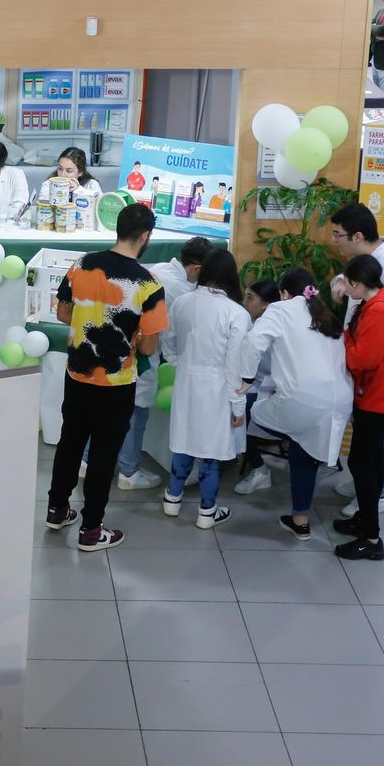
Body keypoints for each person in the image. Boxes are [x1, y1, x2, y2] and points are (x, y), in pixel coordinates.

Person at [44, 202, 168, 553]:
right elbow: (148, 348)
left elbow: (64, 312)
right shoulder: (148, 283)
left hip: (77, 374)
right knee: (102, 453)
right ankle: (92, 529)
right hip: (116, 384)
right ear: (145, 237)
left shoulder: (81, 264)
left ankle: (56, 509)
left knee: (70, 441)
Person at [236, 269, 351, 540]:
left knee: (244, 409)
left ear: (284, 294)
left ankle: (259, 468)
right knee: (303, 451)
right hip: (338, 402)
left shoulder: (280, 309)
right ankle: (300, 520)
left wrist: (246, 378)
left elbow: (253, 342)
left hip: (302, 400)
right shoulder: (325, 314)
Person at [107, 236, 214, 490]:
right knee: (135, 413)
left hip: (115, 351)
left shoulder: (162, 269)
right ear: (197, 268)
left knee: (109, 412)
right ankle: (129, 472)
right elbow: (175, 332)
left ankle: (89, 461)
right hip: (139, 354)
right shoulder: (180, 289)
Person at [328, 201, 384, 518]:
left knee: (377, 436)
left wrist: (351, 341)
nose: (333, 241)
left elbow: (381, 332)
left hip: (378, 372)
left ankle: (377, 494)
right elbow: (355, 275)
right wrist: (340, 280)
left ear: (358, 236)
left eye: (338, 235)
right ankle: (366, 484)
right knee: (367, 441)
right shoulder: (371, 258)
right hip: (366, 363)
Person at [159, 249, 249, 530]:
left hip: (186, 381)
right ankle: (207, 512)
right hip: (218, 388)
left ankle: (172, 500)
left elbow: (168, 342)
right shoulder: (237, 313)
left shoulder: (183, 302)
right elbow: (236, 366)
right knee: (210, 451)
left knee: (184, 441)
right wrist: (238, 407)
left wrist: (181, 363)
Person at [334, 254, 384, 561]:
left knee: (360, 463)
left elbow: (362, 359)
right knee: (374, 459)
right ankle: (364, 520)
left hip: (379, 398)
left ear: (356, 283)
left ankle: (371, 538)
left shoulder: (379, 312)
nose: (344, 290)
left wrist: (346, 340)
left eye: (346, 284)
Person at [232, 279, 282, 495]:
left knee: (237, 409)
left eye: (250, 298)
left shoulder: (271, 330)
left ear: (266, 305)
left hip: (271, 390)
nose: (244, 302)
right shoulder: (251, 323)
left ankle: (260, 470)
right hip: (258, 386)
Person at [36, 147, 102, 201]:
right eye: (60, 168)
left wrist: (79, 190)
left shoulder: (91, 184)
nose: (62, 174)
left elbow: (101, 204)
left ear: (80, 172)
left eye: (69, 171)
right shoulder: (48, 185)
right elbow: (43, 207)